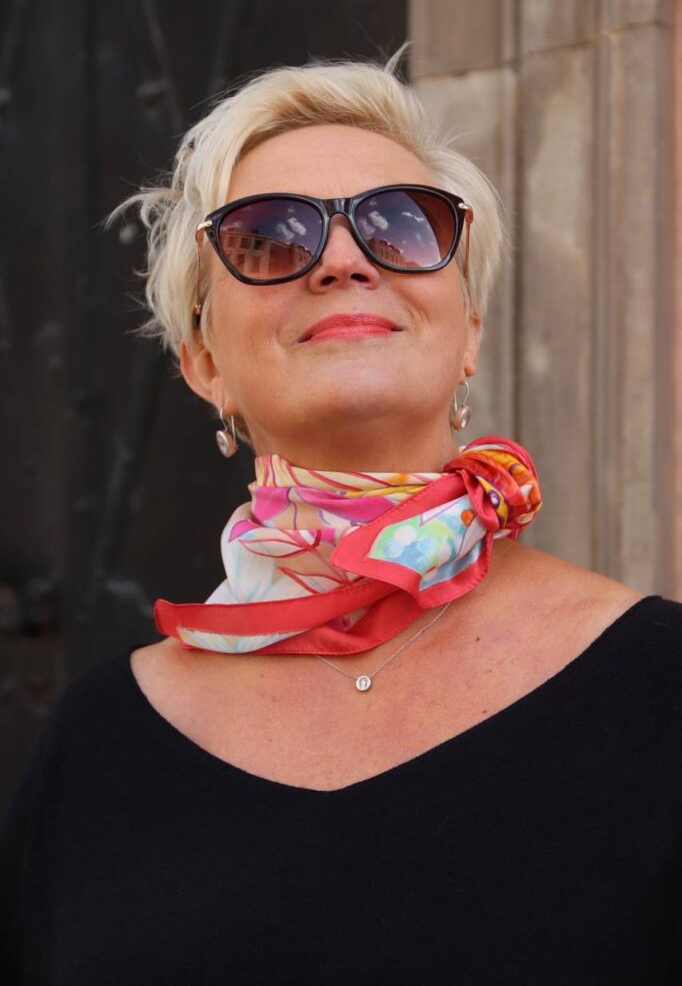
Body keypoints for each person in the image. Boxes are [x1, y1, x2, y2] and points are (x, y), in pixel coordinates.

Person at [1, 55, 681, 985]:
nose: (342, 259)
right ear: (204, 362)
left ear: (470, 330)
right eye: (269, 239)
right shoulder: (97, 749)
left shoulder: (663, 688)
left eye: (400, 224)